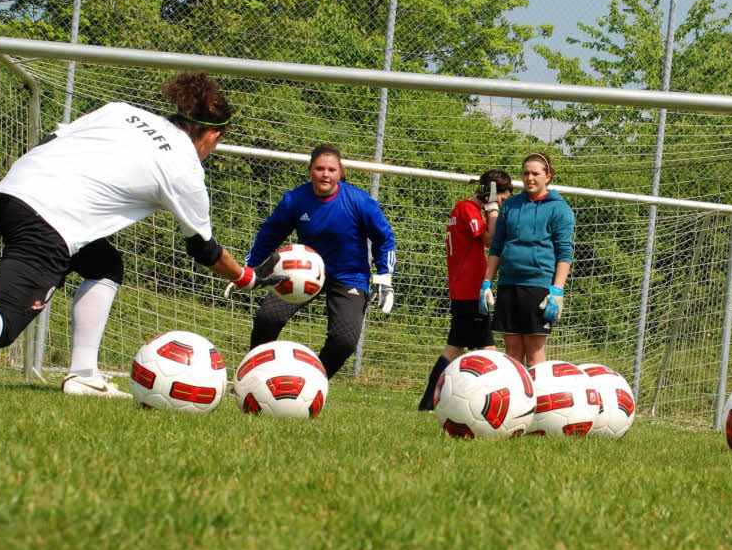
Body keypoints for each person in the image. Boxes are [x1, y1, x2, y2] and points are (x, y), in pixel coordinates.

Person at [0, 71, 283, 395]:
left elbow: (55, 137)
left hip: (13, 191)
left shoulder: (122, 111)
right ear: (212, 134)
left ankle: (83, 375)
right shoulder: (185, 167)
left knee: (105, 263)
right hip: (50, 218)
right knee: (3, 325)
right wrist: (246, 277)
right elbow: (204, 249)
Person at [232, 144, 396, 378]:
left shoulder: (360, 201)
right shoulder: (294, 200)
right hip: (303, 271)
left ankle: (311, 381)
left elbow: (385, 238)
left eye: (331, 169)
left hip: (349, 277)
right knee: (267, 318)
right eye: (319, 168)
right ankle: (250, 377)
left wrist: (384, 277)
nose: (325, 174)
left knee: (344, 342)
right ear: (310, 170)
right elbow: (269, 235)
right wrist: (248, 269)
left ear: (339, 171)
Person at [418, 169, 513, 410]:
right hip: (470, 290)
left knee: (457, 348)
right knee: (486, 350)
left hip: (466, 289)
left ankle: (430, 402)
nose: (499, 207)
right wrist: (492, 211)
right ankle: (499, 403)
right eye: (500, 200)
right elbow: (490, 238)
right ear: (490, 194)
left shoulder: (464, 209)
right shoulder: (467, 208)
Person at [479, 152, 575, 367]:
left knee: (534, 354)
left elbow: (564, 253)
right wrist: (487, 283)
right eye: (525, 173)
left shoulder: (559, 209)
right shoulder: (511, 206)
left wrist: (557, 291)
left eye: (535, 173)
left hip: (537, 287)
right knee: (512, 355)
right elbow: (497, 247)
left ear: (547, 176)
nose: (529, 178)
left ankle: (537, 402)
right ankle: (516, 401)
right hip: (508, 285)